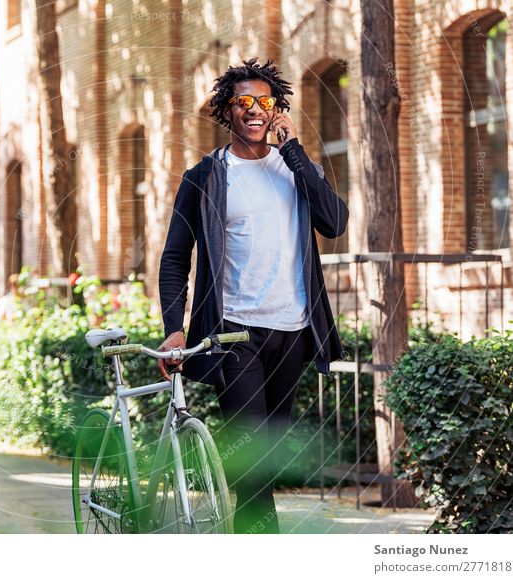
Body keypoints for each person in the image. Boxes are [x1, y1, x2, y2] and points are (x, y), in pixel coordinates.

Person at [157, 58, 348, 534]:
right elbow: (175, 258)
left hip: (294, 331)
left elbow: (336, 224)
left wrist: (296, 151)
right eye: (244, 102)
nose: (255, 111)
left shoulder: (297, 168)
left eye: (265, 102)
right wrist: (174, 329)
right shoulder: (204, 177)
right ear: (227, 110)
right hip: (235, 334)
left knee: (266, 461)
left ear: (276, 109)